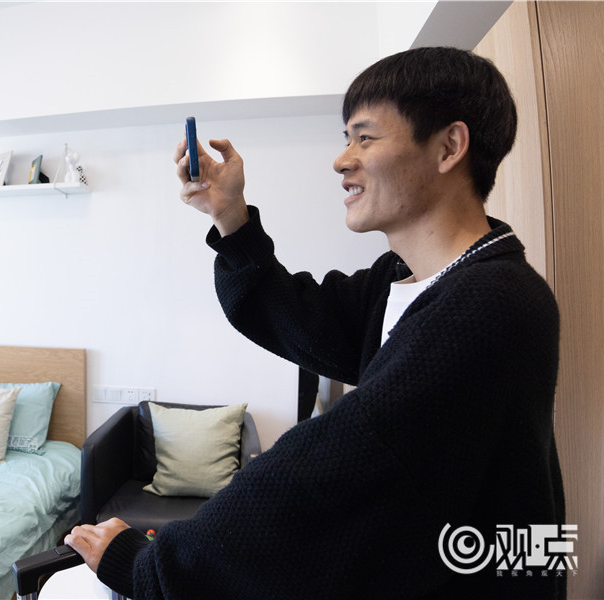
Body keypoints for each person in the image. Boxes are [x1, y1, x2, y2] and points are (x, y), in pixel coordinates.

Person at [66, 47, 565, 599]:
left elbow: (322, 477)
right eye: (346, 139)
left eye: (364, 138)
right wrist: (228, 213)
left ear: (448, 147)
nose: (342, 160)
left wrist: (148, 566)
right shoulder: (403, 281)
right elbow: (291, 315)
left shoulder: (491, 303)